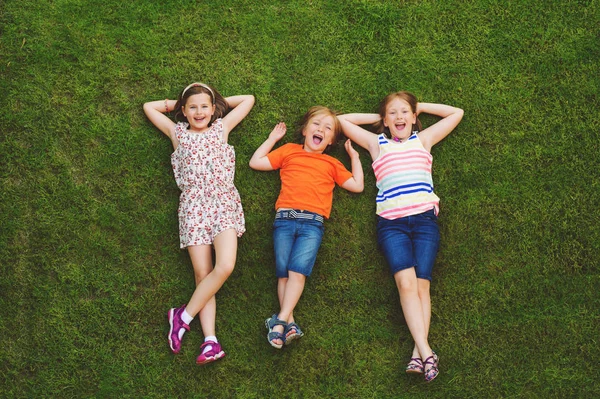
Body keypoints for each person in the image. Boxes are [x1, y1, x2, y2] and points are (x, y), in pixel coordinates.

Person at [338, 92, 463, 382]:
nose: (399, 118)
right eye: (392, 114)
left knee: (422, 286)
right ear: (385, 120)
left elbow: (456, 113)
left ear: (414, 118)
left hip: (424, 222)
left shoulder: (424, 140)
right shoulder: (375, 143)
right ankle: (426, 352)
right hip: (391, 224)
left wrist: (420, 107)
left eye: (405, 112)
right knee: (405, 284)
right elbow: (341, 121)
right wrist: (377, 118)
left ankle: (418, 355)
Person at [143, 82, 255, 364]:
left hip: (222, 202)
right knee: (203, 274)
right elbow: (149, 107)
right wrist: (175, 105)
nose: (199, 112)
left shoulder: (221, 128)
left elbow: (248, 99)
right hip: (193, 206)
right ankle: (210, 341)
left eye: (204, 107)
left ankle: (183, 316)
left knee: (225, 265)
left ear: (214, 109)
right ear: (183, 111)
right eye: (192, 107)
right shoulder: (177, 132)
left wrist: (216, 100)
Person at [249, 106, 364, 349]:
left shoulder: (332, 164)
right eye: (316, 124)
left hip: (313, 224)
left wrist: (354, 158)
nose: (321, 129)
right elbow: (255, 162)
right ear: (304, 130)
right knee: (283, 272)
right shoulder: (289, 151)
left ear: (331, 140)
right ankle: (288, 324)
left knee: (297, 271)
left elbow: (357, 186)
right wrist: (272, 139)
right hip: (284, 220)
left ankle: (278, 321)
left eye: (328, 128)